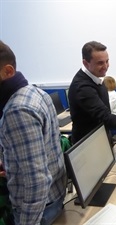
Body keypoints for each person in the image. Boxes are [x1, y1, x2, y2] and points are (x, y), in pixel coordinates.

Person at [0, 40, 67, 224]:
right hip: (53, 197)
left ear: (8, 71)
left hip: (38, 210)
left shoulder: (16, 110)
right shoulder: (34, 92)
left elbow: (36, 180)